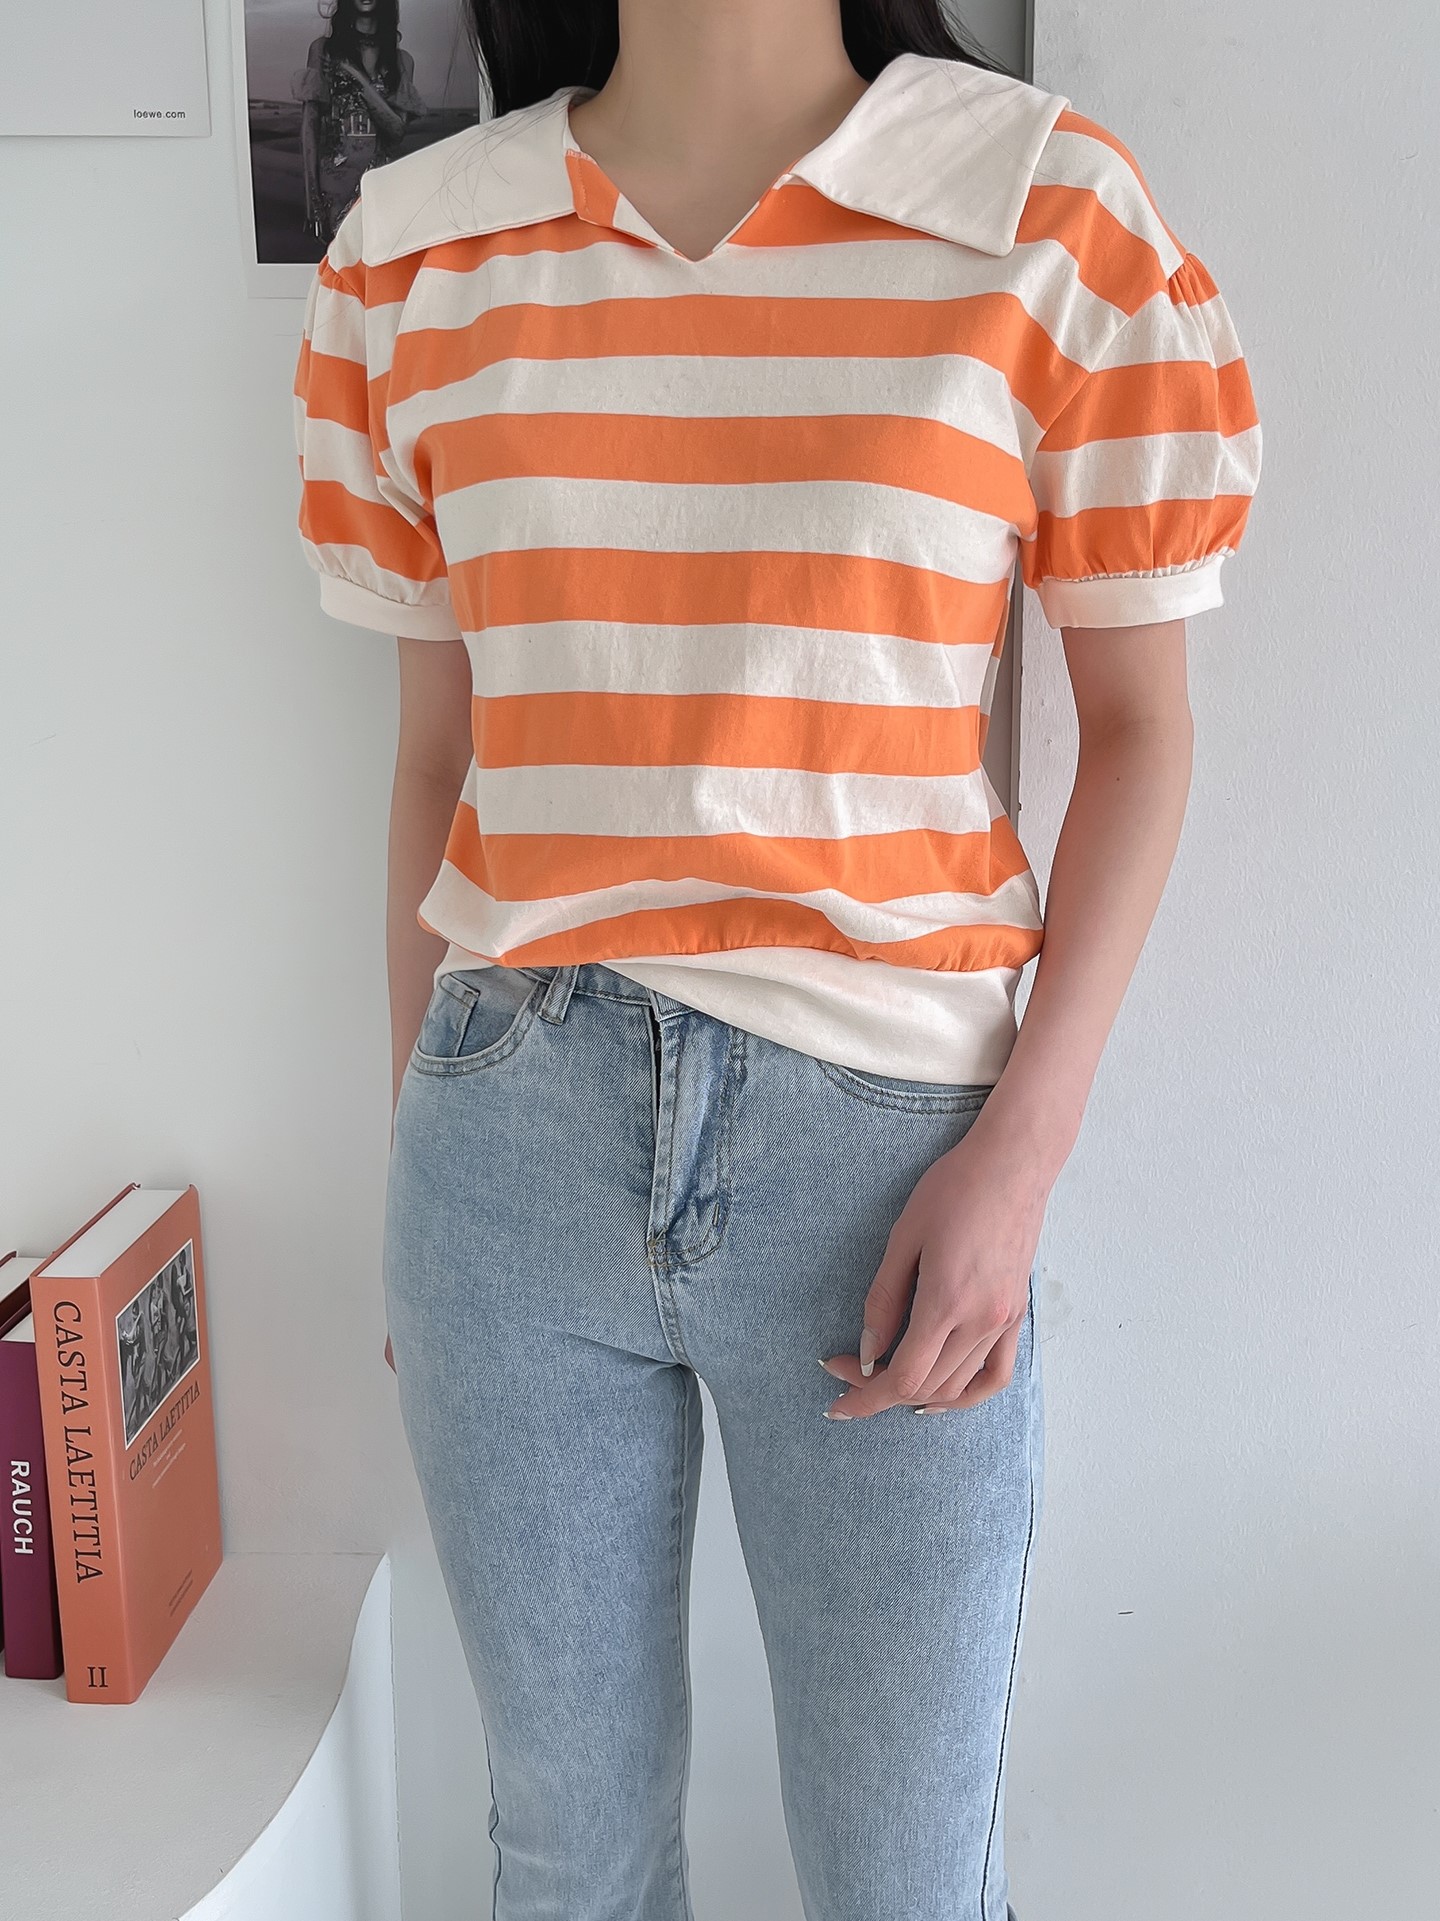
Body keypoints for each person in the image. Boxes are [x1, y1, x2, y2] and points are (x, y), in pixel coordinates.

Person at [290, 1, 1263, 1915]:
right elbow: (432, 765)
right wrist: (416, 1159)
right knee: (565, 1855)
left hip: (887, 1166)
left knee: (908, 1872)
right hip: (506, 1140)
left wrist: (1020, 1159)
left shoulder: (1045, 209)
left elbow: (1144, 734)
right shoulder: (414, 250)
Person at [293, 0, 429, 247]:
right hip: (335, 188)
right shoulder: (323, 51)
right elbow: (309, 128)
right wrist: (312, 199)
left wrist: (354, 76)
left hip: (382, 188)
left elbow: (397, 131)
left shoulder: (401, 61)